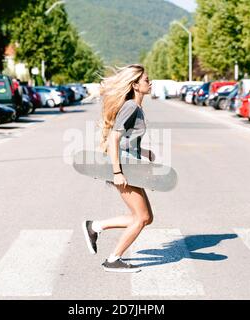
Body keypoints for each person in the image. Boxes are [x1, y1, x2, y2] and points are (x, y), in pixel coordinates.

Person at [82, 64, 155, 273]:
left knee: (146, 217)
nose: (150, 83)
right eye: (146, 80)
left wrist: (145, 153)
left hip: (130, 167)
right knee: (141, 218)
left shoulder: (136, 107)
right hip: (124, 170)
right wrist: (117, 172)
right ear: (135, 85)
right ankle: (113, 259)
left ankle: (95, 227)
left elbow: (127, 141)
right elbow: (114, 138)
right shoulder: (131, 106)